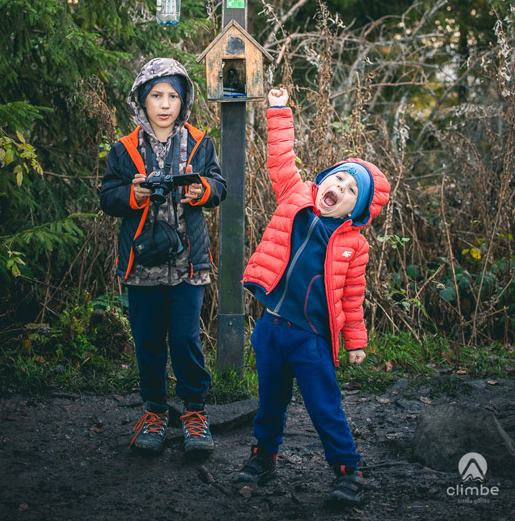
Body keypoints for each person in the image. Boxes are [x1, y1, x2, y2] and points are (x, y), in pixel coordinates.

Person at [236, 87, 390, 504]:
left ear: (356, 213)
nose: (339, 187)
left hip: (312, 339)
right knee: (270, 401)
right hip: (271, 328)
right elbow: (281, 158)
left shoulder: (354, 246)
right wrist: (279, 110)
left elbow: (352, 299)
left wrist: (356, 341)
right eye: (337, 178)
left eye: (351, 190)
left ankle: (347, 470)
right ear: (323, 181)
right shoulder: (295, 197)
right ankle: (262, 457)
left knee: (324, 407)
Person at [100, 58, 227, 456]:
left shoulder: (200, 141)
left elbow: (220, 185)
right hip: (141, 266)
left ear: (183, 99)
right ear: (141, 99)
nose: (165, 104)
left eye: (173, 95)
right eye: (157, 95)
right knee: (149, 341)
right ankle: (155, 412)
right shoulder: (124, 149)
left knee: (187, 340)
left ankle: (194, 413)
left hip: (190, 263)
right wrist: (132, 196)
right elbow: (108, 197)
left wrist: (201, 191)